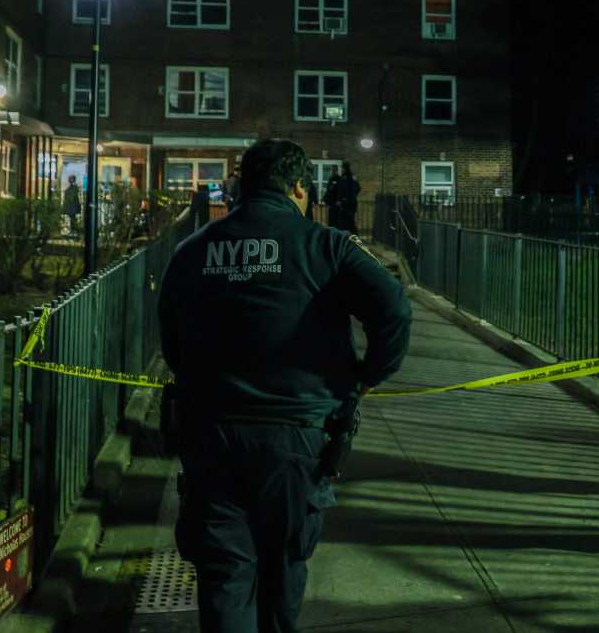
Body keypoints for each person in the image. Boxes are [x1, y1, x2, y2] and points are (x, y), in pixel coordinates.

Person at [158, 138, 411, 633]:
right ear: (300, 188)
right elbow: (394, 308)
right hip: (296, 440)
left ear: (240, 187)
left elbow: (171, 338)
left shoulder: (192, 252)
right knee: (282, 571)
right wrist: (366, 377)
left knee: (225, 578)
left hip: (212, 435)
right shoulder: (325, 246)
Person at [339, 163, 362, 234]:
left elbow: (355, 189)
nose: (341, 170)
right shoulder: (349, 178)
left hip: (349, 204)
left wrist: (346, 198)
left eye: (342, 168)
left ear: (345, 169)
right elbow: (358, 188)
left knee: (349, 221)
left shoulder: (348, 178)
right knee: (348, 221)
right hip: (350, 203)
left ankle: (353, 236)